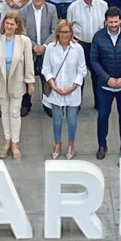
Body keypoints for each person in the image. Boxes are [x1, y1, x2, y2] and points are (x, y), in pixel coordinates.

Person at [0, 11, 34, 158]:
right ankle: (7, 140)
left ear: (17, 25)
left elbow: (29, 64)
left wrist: (30, 83)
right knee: (5, 111)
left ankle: (15, 143)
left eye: (12, 24)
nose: (9, 26)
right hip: (0, 80)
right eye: (7, 23)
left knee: (15, 112)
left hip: (17, 80)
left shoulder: (24, 41)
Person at [92, 4, 121, 158]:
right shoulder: (98, 37)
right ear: (105, 22)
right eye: (110, 22)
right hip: (105, 88)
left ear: (120, 21)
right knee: (103, 116)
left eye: (116, 22)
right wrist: (107, 78)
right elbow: (94, 61)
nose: (113, 25)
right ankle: (102, 146)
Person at [43, 18, 86, 159]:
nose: (64, 35)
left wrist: (73, 87)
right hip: (56, 90)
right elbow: (46, 69)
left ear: (71, 33)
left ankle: (71, 144)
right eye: (62, 32)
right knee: (56, 119)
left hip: (72, 90)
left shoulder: (78, 49)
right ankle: (57, 143)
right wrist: (54, 86)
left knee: (72, 119)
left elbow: (82, 70)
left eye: (67, 32)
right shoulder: (50, 48)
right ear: (57, 33)